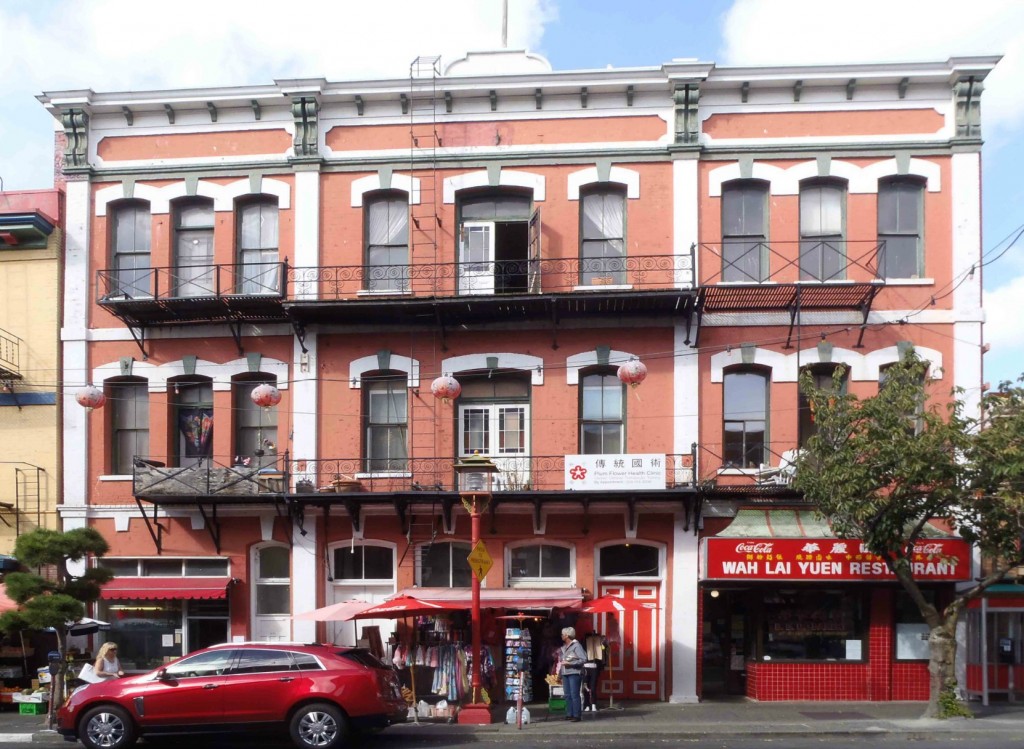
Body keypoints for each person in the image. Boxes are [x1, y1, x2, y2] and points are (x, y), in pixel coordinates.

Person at [559, 627, 586, 722]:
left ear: (567, 635)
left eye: (562, 634)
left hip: (574, 672)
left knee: (574, 694)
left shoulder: (576, 646)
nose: (561, 636)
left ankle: (577, 715)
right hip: (565, 673)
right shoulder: (564, 647)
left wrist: (570, 664)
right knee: (567, 694)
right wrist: (560, 673)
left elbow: (583, 659)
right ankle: (569, 713)